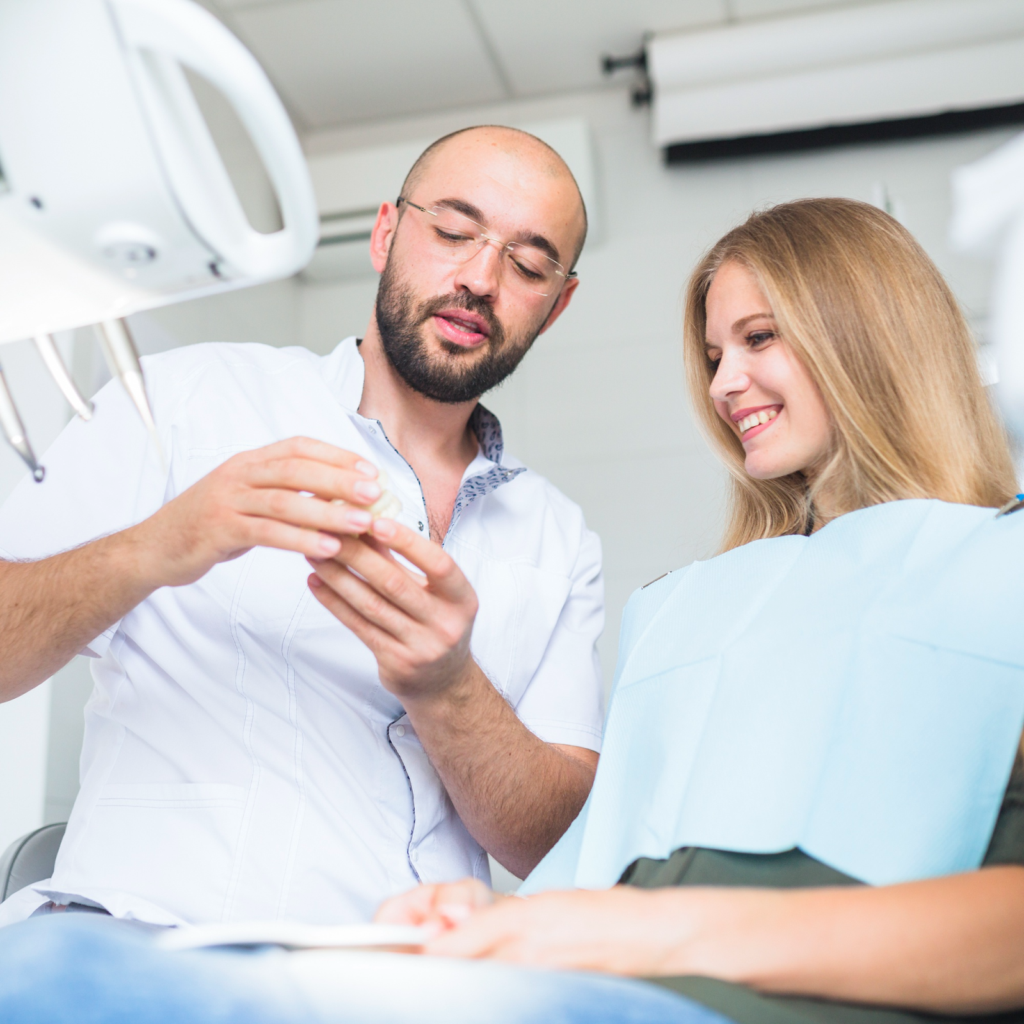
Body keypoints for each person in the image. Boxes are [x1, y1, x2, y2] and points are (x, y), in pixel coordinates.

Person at [376, 198, 1024, 1024]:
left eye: (759, 339)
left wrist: (658, 933)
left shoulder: (1003, 569)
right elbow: (613, 867)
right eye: (717, 355)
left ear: (867, 333)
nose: (723, 384)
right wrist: (489, 919)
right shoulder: (683, 611)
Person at [0, 125, 604, 927]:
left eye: (527, 265)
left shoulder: (559, 541)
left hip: (414, 983)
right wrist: (157, 548)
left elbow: (553, 845)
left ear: (556, 305)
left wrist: (449, 687)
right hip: (152, 948)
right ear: (386, 233)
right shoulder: (185, 403)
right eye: (454, 232)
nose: (480, 278)